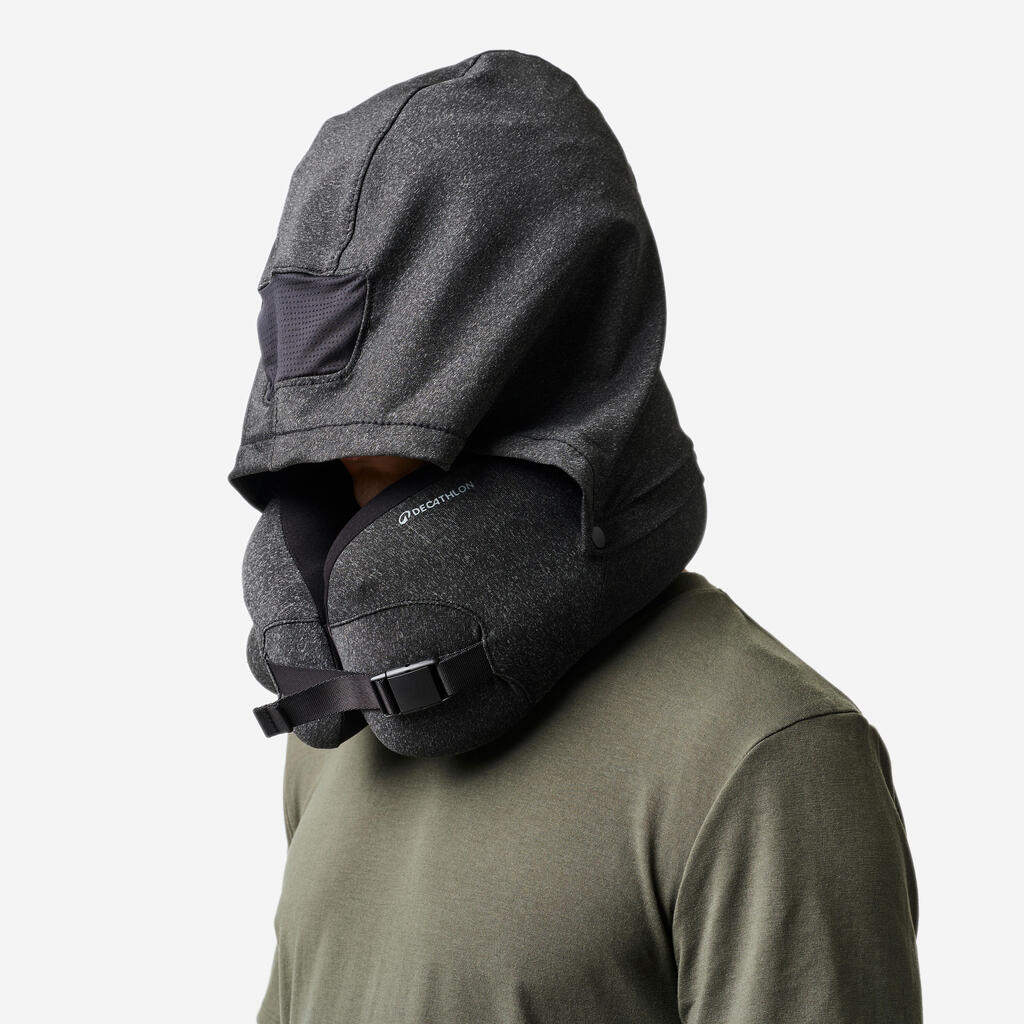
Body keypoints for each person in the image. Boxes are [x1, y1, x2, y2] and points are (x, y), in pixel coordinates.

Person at [231, 51, 922, 1024]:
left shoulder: (763, 756)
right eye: (317, 439)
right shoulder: (342, 727)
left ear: (540, 368)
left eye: (384, 425)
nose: (341, 474)